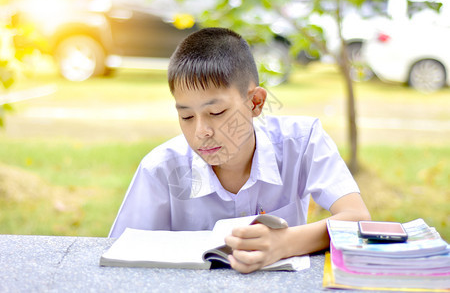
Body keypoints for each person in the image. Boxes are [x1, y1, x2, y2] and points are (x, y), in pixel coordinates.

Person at [109, 27, 371, 273]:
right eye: (186, 117)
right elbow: (119, 255)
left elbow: (358, 220)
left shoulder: (301, 142)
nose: (201, 131)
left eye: (216, 112)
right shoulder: (161, 169)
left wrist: (285, 243)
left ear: (255, 102)